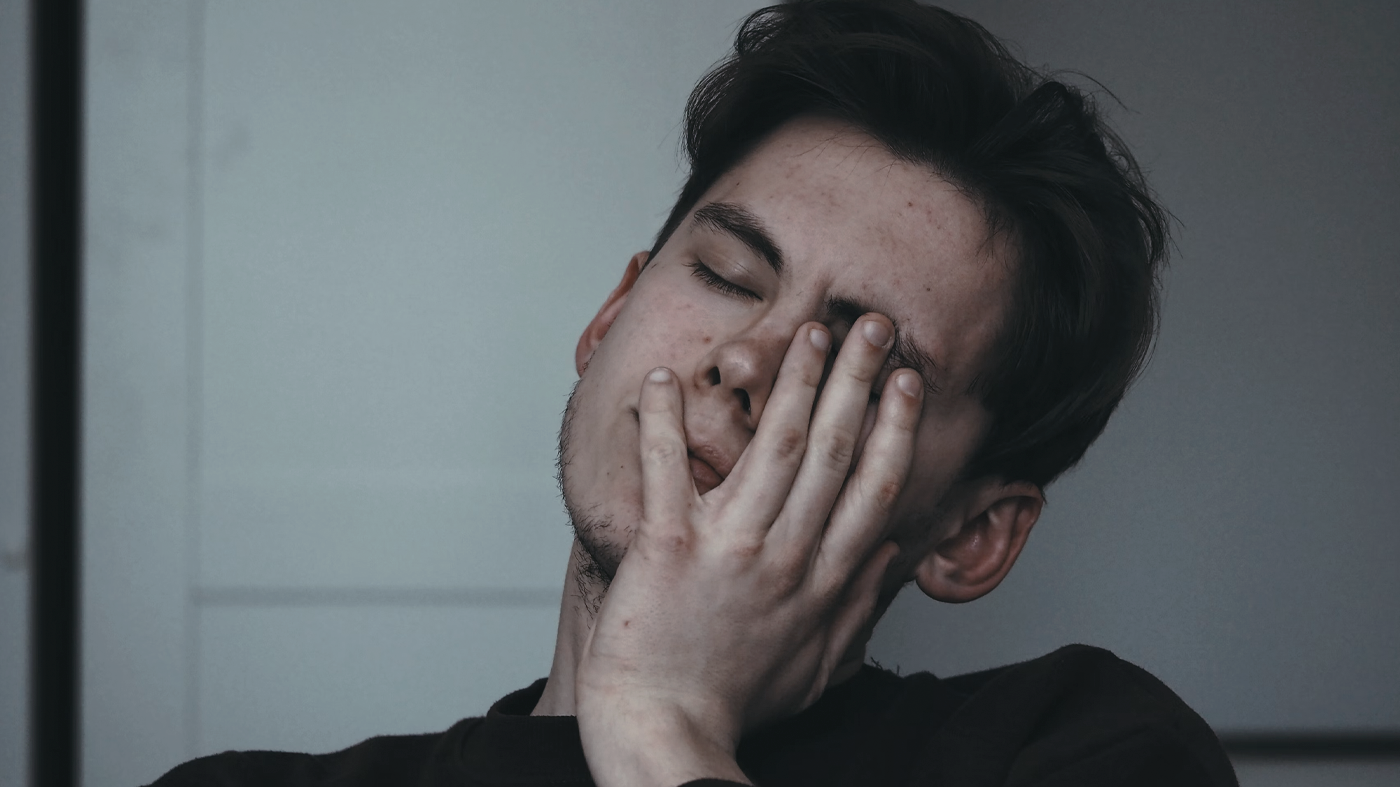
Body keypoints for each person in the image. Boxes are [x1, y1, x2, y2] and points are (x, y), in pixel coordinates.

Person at [152, 1, 1237, 785]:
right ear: (608, 317)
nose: (744, 361)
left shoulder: (1085, 748)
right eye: (724, 276)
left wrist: (663, 724)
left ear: (972, 533)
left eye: (857, 361)